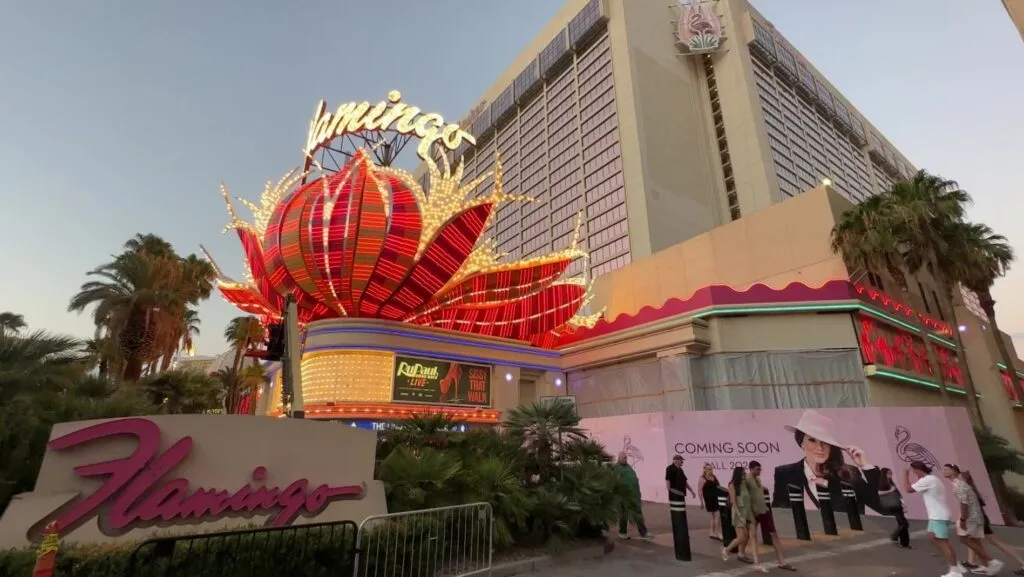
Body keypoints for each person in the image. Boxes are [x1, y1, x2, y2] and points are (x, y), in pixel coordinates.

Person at [772, 410, 882, 514]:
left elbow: (884, 508)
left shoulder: (849, 474)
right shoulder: (785, 474)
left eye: (824, 442)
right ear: (801, 444)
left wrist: (866, 466)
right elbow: (780, 516)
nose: (820, 447)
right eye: (812, 440)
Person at [903, 461, 965, 577]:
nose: (913, 473)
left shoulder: (928, 480)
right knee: (932, 537)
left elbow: (908, 489)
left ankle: (955, 571)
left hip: (939, 516)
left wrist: (905, 475)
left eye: (913, 470)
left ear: (918, 470)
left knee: (943, 543)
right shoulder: (930, 479)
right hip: (935, 516)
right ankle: (956, 564)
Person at [961, 470, 1024, 575]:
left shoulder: (968, 490)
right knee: (972, 539)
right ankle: (972, 562)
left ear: (965, 479)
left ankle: (1021, 562)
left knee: (993, 542)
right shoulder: (970, 489)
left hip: (979, 520)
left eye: (959, 478)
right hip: (979, 519)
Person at [946, 464, 1002, 575]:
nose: (944, 471)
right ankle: (987, 565)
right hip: (976, 516)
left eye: (947, 469)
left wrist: (962, 519)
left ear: (954, 472)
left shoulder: (958, 485)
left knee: (964, 539)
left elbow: (964, 503)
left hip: (971, 517)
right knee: (975, 541)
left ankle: (991, 561)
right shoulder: (959, 483)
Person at [744, 461, 796, 571]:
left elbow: (759, 491)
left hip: (764, 510)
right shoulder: (747, 480)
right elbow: (746, 496)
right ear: (751, 469)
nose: (759, 471)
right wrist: (749, 511)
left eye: (760, 469)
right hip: (753, 512)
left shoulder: (758, 479)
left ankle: (781, 561)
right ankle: (756, 562)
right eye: (757, 469)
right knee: (752, 536)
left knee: (774, 534)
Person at [722, 466, 762, 570]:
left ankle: (751, 558)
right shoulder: (732, 485)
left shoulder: (745, 484)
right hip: (739, 512)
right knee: (742, 537)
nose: (745, 475)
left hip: (748, 512)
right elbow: (733, 502)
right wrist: (740, 516)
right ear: (738, 474)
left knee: (751, 536)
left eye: (745, 474)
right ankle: (727, 549)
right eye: (743, 474)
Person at [613, 451, 653, 540]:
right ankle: (622, 532)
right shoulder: (616, 468)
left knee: (638, 513)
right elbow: (614, 483)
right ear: (619, 458)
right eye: (624, 458)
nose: (625, 459)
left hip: (634, 496)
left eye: (626, 458)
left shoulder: (628, 467)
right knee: (624, 515)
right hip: (624, 496)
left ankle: (644, 532)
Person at [878, 467, 911, 548]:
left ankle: (904, 543)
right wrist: (890, 491)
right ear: (884, 474)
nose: (890, 475)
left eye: (891, 473)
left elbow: (898, 493)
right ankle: (895, 536)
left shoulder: (891, 482)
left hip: (897, 504)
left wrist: (903, 503)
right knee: (904, 523)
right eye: (888, 473)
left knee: (902, 523)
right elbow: (879, 493)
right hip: (892, 505)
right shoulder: (882, 483)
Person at [698, 463, 722, 540]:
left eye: (711, 469)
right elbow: (700, 490)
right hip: (709, 499)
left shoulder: (714, 476)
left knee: (714, 516)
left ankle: (712, 532)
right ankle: (718, 533)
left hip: (716, 497)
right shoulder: (702, 478)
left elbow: (718, 486)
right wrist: (701, 501)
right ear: (704, 469)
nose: (710, 470)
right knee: (717, 515)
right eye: (708, 469)